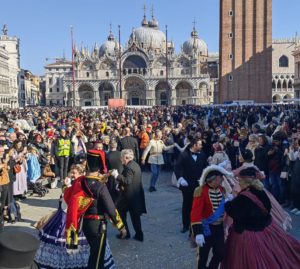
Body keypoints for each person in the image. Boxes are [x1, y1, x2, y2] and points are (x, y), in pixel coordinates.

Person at [221, 167, 300, 269]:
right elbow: (268, 207)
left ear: (246, 182)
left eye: (240, 181)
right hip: (267, 228)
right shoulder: (261, 191)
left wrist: (227, 202)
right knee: (278, 253)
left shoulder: (243, 197)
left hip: (247, 234)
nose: (238, 183)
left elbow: (234, 212)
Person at [64, 150, 126, 269]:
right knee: (97, 258)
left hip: (85, 224)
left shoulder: (79, 182)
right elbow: (111, 208)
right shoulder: (100, 186)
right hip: (98, 226)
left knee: (94, 254)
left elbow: (68, 195)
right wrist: (121, 227)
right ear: (98, 169)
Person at [190, 164, 232, 269]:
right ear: (212, 180)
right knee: (203, 256)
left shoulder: (222, 189)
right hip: (206, 228)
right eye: (220, 178)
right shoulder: (201, 191)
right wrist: (198, 232)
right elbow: (195, 213)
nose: (222, 180)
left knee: (220, 253)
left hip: (218, 228)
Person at [111, 149, 147, 242]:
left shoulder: (129, 167)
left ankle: (125, 233)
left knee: (119, 212)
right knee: (135, 217)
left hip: (128, 197)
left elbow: (127, 181)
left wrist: (117, 176)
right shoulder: (135, 164)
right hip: (135, 195)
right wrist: (119, 185)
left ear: (126, 157)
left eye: (121, 158)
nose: (121, 160)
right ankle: (139, 235)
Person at [175, 137, 208, 233]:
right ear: (194, 145)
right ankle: (185, 225)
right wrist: (181, 179)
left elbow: (205, 167)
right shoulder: (183, 154)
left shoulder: (202, 154)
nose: (201, 146)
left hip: (199, 185)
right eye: (200, 144)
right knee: (187, 205)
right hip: (187, 185)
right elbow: (178, 168)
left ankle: (196, 224)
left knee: (198, 205)